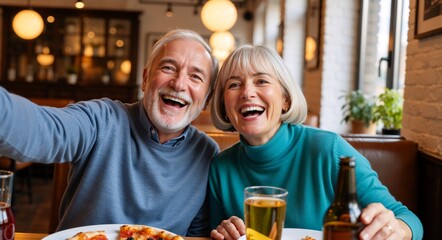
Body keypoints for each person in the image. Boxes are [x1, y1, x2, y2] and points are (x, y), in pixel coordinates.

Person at [0, 29, 219, 236]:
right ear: (144, 79)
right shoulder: (101, 119)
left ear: (207, 99)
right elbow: (44, 129)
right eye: (168, 68)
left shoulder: (207, 153)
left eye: (195, 77)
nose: (179, 83)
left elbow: (196, 235)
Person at [208, 45, 423, 240]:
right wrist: (224, 231)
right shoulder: (220, 167)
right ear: (225, 107)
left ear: (286, 100)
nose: (247, 93)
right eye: (234, 84)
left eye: (261, 81)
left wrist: (395, 228)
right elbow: (213, 234)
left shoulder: (328, 150)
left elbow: (409, 220)